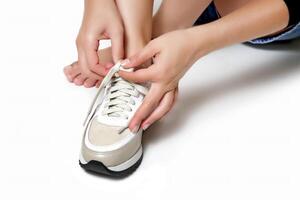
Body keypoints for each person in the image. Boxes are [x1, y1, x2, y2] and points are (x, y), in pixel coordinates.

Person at [64, 0, 300, 132]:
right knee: (137, 39)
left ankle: (157, 36)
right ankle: (139, 46)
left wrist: (195, 43)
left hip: (268, 10)